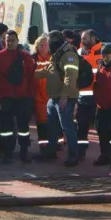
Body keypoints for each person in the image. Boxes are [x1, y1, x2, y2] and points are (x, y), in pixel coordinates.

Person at [36, 30, 80, 166]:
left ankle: (73, 156)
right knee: (52, 127)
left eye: (48, 41)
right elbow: (49, 71)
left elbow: (70, 77)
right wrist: (29, 73)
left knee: (67, 127)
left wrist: (64, 96)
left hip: (64, 98)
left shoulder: (69, 55)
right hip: (53, 98)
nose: (47, 45)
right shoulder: (57, 54)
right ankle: (51, 151)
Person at [0, 30, 36, 164]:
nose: (10, 43)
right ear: (4, 41)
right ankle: (7, 153)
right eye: (7, 40)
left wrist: (30, 95)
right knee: (6, 128)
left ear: (17, 41)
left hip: (23, 97)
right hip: (6, 97)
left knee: (23, 128)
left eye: (12, 40)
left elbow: (31, 77)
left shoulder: (26, 57)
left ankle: (24, 153)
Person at [76, 29, 102, 160]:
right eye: (82, 38)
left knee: (102, 128)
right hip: (82, 98)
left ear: (93, 38)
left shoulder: (103, 53)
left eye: (85, 38)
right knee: (82, 127)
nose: (83, 41)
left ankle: (107, 154)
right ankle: (81, 152)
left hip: (99, 99)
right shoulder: (78, 53)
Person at [31, 34, 56, 158]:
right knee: (41, 123)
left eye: (45, 44)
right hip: (38, 96)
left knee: (53, 123)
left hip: (51, 94)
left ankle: (56, 145)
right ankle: (44, 148)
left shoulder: (53, 57)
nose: (43, 47)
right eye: (40, 45)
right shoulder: (33, 59)